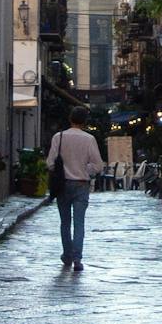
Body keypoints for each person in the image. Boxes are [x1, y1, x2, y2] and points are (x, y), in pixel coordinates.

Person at [49, 106, 104, 272]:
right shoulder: (89, 139)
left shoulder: (59, 137)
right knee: (79, 223)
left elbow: (50, 163)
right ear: (85, 121)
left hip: (63, 183)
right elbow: (98, 165)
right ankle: (77, 258)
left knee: (65, 222)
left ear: (70, 119)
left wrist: (61, 170)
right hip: (81, 184)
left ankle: (67, 255)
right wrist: (85, 170)